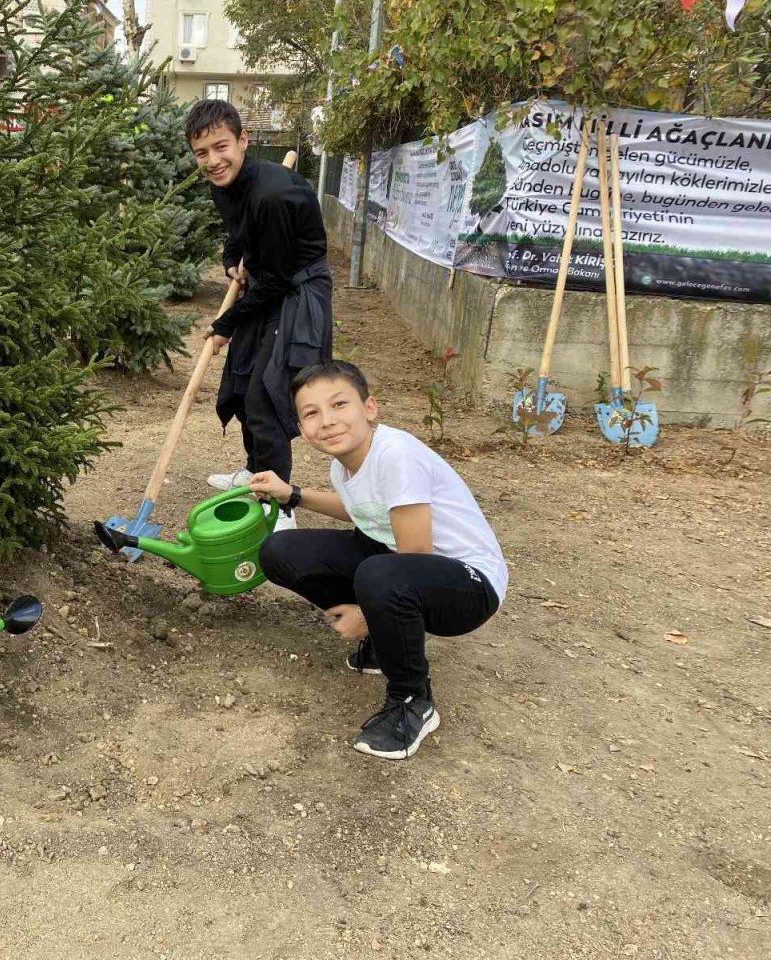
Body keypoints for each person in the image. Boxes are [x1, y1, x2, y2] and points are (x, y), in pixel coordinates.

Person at [250, 361, 507, 760]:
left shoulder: (395, 455)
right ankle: (387, 638)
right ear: (301, 429)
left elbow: (416, 554)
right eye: (312, 413)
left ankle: (412, 700)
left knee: (380, 575)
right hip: (399, 564)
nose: (328, 421)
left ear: (370, 408)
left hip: (470, 584)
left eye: (339, 405)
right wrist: (292, 494)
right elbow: (364, 511)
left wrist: (365, 613)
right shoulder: (345, 463)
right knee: (279, 551)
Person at [185, 99, 333, 531]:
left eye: (221, 147)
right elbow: (237, 237)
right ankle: (255, 473)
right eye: (202, 152)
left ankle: (280, 506)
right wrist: (232, 260)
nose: (213, 161)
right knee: (242, 381)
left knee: (266, 395)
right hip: (268, 282)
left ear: (243, 140)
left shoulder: (274, 194)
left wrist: (225, 324)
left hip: (298, 289)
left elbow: (277, 279)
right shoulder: (223, 184)